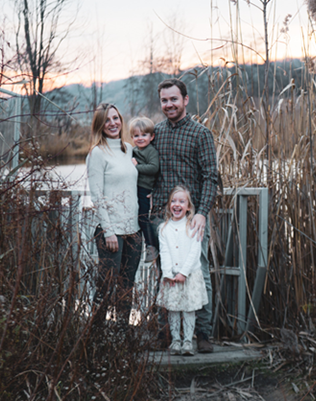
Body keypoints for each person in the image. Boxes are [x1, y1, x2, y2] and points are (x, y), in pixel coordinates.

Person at [151, 78, 219, 353]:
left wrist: (202, 213)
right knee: (163, 271)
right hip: (164, 220)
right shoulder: (156, 132)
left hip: (193, 220)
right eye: (164, 100)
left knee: (198, 272)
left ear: (185, 100)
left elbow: (211, 177)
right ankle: (164, 332)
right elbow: (148, 169)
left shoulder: (200, 134)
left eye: (173, 99)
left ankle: (203, 333)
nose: (169, 104)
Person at [86, 103, 143, 331]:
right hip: (111, 233)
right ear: (100, 124)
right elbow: (96, 195)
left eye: (116, 118)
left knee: (127, 285)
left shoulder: (128, 149)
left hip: (134, 230)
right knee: (106, 285)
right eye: (107, 120)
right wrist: (109, 231)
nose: (113, 123)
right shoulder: (97, 153)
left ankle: (122, 333)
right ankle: (95, 332)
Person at [156, 186, 209, 356]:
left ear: (188, 207)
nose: (177, 205)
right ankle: (175, 341)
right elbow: (164, 253)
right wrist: (168, 274)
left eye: (181, 201)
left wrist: (184, 273)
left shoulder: (193, 226)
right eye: (173, 201)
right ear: (169, 205)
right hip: (171, 276)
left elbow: (195, 253)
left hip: (189, 276)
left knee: (188, 309)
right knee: (172, 308)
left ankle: (187, 341)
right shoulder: (164, 229)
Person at [130, 116, 160, 262]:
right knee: (135, 217)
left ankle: (152, 246)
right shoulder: (133, 151)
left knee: (143, 217)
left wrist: (136, 167)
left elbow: (154, 168)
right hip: (134, 188)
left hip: (144, 188)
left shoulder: (150, 151)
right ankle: (139, 245)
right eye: (136, 135)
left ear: (151, 136)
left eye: (144, 135)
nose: (140, 138)